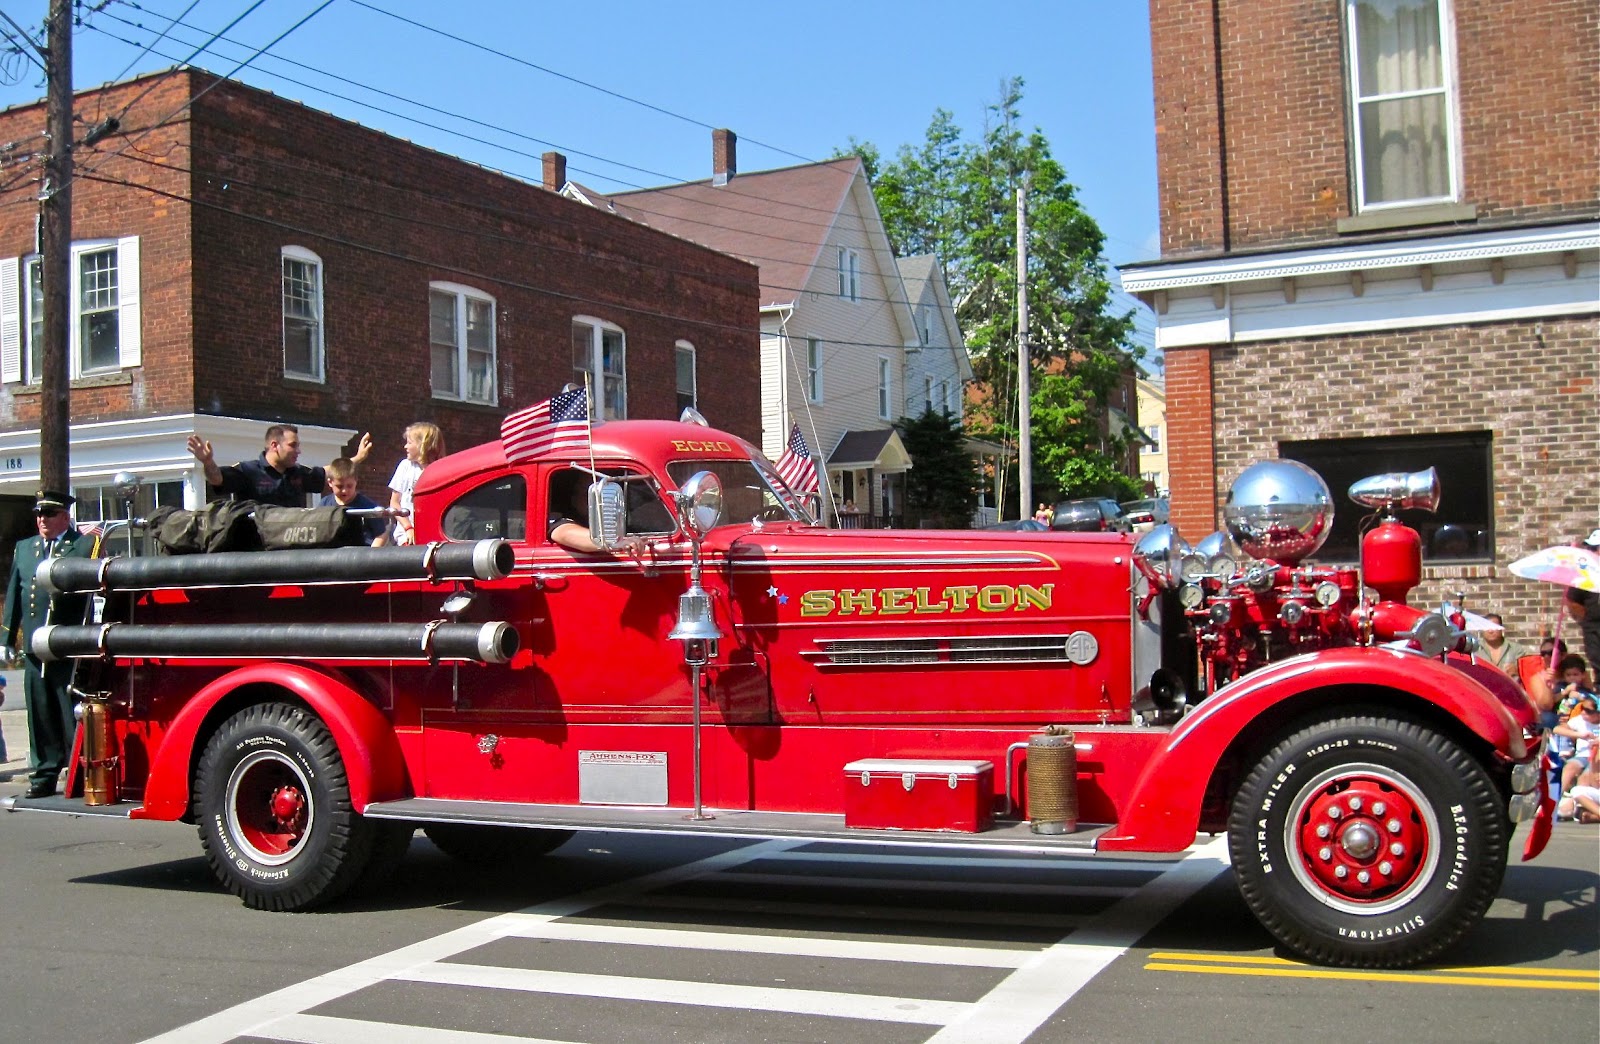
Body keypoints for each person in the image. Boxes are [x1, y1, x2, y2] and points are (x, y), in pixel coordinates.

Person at [1, 490, 92, 798]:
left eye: (49, 514)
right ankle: (44, 772)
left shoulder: (81, 545)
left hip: (66, 643)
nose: (42, 520)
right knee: (39, 711)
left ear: (65, 517)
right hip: (34, 647)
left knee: (68, 709)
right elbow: (16, 592)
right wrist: (7, 637)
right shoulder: (26, 548)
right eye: (39, 514)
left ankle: (76, 769)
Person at [188, 424, 372, 508]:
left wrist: (357, 458)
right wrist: (207, 462)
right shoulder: (248, 471)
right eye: (293, 445)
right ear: (274, 446)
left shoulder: (298, 472)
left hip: (291, 551)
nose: (298, 451)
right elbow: (217, 478)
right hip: (256, 553)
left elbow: (328, 473)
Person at [386, 422, 445, 546]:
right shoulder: (405, 466)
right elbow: (395, 503)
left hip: (434, 536)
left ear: (422, 444)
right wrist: (408, 527)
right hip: (407, 536)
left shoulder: (440, 469)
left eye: (409, 443)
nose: (405, 447)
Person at [320, 458, 388, 546]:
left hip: (360, 553)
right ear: (330, 482)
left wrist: (370, 555)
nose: (345, 491)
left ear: (356, 481)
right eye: (339, 486)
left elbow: (381, 534)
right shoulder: (324, 504)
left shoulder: (367, 506)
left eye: (349, 486)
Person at [1562, 528, 1600, 670]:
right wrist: (1589, 617)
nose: (1590, 552)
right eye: (1590, 548)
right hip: (1595, 629)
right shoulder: (1585, 576)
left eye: (1594, 548)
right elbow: (1572, 600)